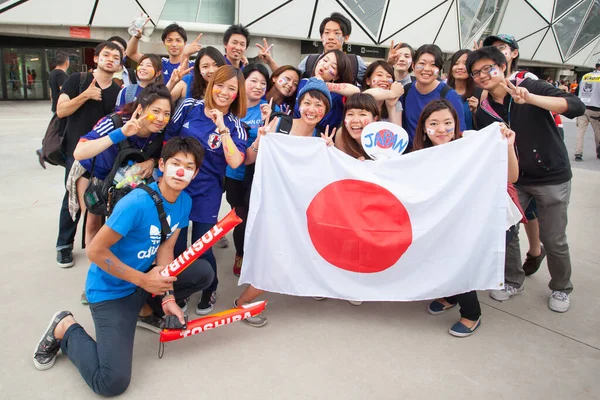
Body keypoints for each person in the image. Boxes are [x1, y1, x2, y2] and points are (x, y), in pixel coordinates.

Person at [33, 137, 214, 397]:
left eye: (189, 166)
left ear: (195, 173)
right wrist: (143, 280)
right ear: (162, 164)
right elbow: (95, 250)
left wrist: (167, 296)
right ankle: (65, 327)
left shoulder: (184, 201)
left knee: (202, 273)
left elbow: (165, 248)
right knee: (111, 383)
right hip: (110, 291)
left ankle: (144, 310)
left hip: (140, 284)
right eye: (175, 163)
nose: (181, 171)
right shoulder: (137, 203)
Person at [466, 46, 586, 312]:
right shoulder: (483, 109)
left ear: (503, 65)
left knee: (554, 237)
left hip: (550, 176)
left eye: (488, 68)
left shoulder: (531, 86)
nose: (483, 75)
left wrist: (531, 99)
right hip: (513, 179)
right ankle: (512, 280)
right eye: (476, 72)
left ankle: (561, 288)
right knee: (505, 229)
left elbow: (575, 106)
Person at [416, 99, 520, 337]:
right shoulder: (422, 156)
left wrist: (507, 146)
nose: (441, 129)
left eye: (447, 122)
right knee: (443, 254)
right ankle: (452, 294)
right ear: (423, 128)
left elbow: (512, 177)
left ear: (457, 123)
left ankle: (471, 314)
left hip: (494, 223)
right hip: (458, 224)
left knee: (460, 262)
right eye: (433, 123)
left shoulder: (474, 143)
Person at [235, 78, 334, 326]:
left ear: (326, 111)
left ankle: (309, 283)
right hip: (270, 204)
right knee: (275, 255)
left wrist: (330, 153)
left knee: (300, 249)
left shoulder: (321, 139)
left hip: (300, 209)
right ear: (299, 104)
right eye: (308, 102)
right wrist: (260, 140)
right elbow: (247, 160)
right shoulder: (280, 123)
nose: (312, 109)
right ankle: (242, 304)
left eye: (319, 105)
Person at [166, 65, 248, 315]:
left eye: (231, 88)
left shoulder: (236, 125)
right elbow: (167, 138)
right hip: (176, 188)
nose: (224, 92)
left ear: (237, 94)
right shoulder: (188, 106)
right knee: (176, 245)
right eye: (220, 84)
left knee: (202, 247)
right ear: (211, 84)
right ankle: (180, 290)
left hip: (207, 192)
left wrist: (222, 126)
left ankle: (210, 287)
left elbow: (235, 161)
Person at [71, 83, 171, 248]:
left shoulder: (161, 132)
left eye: (166, 113)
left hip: (125, 180)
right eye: (156, 111)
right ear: (141, 109)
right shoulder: (115, 121)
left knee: (121, 226)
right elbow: (79, 152)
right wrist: (121, 133)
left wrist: (151, 162)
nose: (161, 118)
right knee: (92, 223)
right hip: (95, 174)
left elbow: (165, 154)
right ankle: (96, 269)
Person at [54, 41, 122, 268]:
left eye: (115, 56)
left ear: (120, 64)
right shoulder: (77, 80)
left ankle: (94, 246)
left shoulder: (118, 91)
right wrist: (86, 95)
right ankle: (64, 245)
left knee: (99, 201)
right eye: (106, 55)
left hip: (102, 156)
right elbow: (61, 110)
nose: (110, 59)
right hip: (77, 152)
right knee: (71, 197)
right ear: (96, 58)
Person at [225, 64, 271, 277]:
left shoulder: (267, 109)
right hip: (233, 174)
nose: (259, 86)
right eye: (253, 80)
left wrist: (268, 121)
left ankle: (256, 256)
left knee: (257, 217)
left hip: (259, 175)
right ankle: (241, 254)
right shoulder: (231, 106)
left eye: (263, 83)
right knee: (241, 217)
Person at [400, 44, 465, 149]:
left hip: (440, 155)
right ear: (413, 65)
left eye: (433, 65)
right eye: (422, 63)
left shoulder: (449, 95)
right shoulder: (405, 91)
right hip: (412, 156)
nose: (427, 69)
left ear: (439, 69)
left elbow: (459, 130)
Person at [294, 49, 360, 131]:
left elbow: (356, 91)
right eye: (325, 60)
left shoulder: (338, 93)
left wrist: (321, 85)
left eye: (333, 67)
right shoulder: (303, 82)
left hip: (323, 139)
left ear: (337, 76)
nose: (325, 66)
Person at [297, 12, 367, 83]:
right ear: (321, 37)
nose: (331, 37)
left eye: (337, 33)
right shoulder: (309, 61)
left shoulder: (355, 63)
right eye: (327, 32)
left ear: (346, 37)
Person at [127, 22, 199, 84]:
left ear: (185, 43)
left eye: (178, 40)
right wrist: (136, 36)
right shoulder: (159, 63)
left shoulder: (194, 65)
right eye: (169, 40)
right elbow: (131, 53)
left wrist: (186, 55)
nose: (174, 44)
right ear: (164, 43)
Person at [36, 52, 70, 169]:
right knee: (59, 132)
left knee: (54, 130)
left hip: (56, 106)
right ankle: (45, 149)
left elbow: (52, 92)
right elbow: (65, 90)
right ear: (67, 62)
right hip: (62, 108)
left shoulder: (53, 73)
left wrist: (54, 104)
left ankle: (44, 148)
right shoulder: (61, 74)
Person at [334, 92, 377, 159]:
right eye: (350, 114)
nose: (355, 120)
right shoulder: (341, 134)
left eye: (362, 114)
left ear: (375, 119)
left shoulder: (383, 139)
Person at [361, 60, 403, 125]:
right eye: (379, 75)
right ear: (368, 80)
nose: (384, 79)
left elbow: (397, 133)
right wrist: (392, 93)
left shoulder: (396, 104)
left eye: (388, 76)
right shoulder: (359, 100)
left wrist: (391, 107)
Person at [447, 49, 480, 130]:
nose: (460, 67)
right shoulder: (443, 92)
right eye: (456, 63)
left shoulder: (480, 93)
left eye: (465, 64)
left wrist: (477, 111)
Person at [574, 62, 600, 161]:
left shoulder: (585, 76)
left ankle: (578, 153)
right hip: (596, 109)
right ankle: (599, 151)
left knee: (580, 132)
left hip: (582, 107)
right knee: (598, 131)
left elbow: (577, 91)